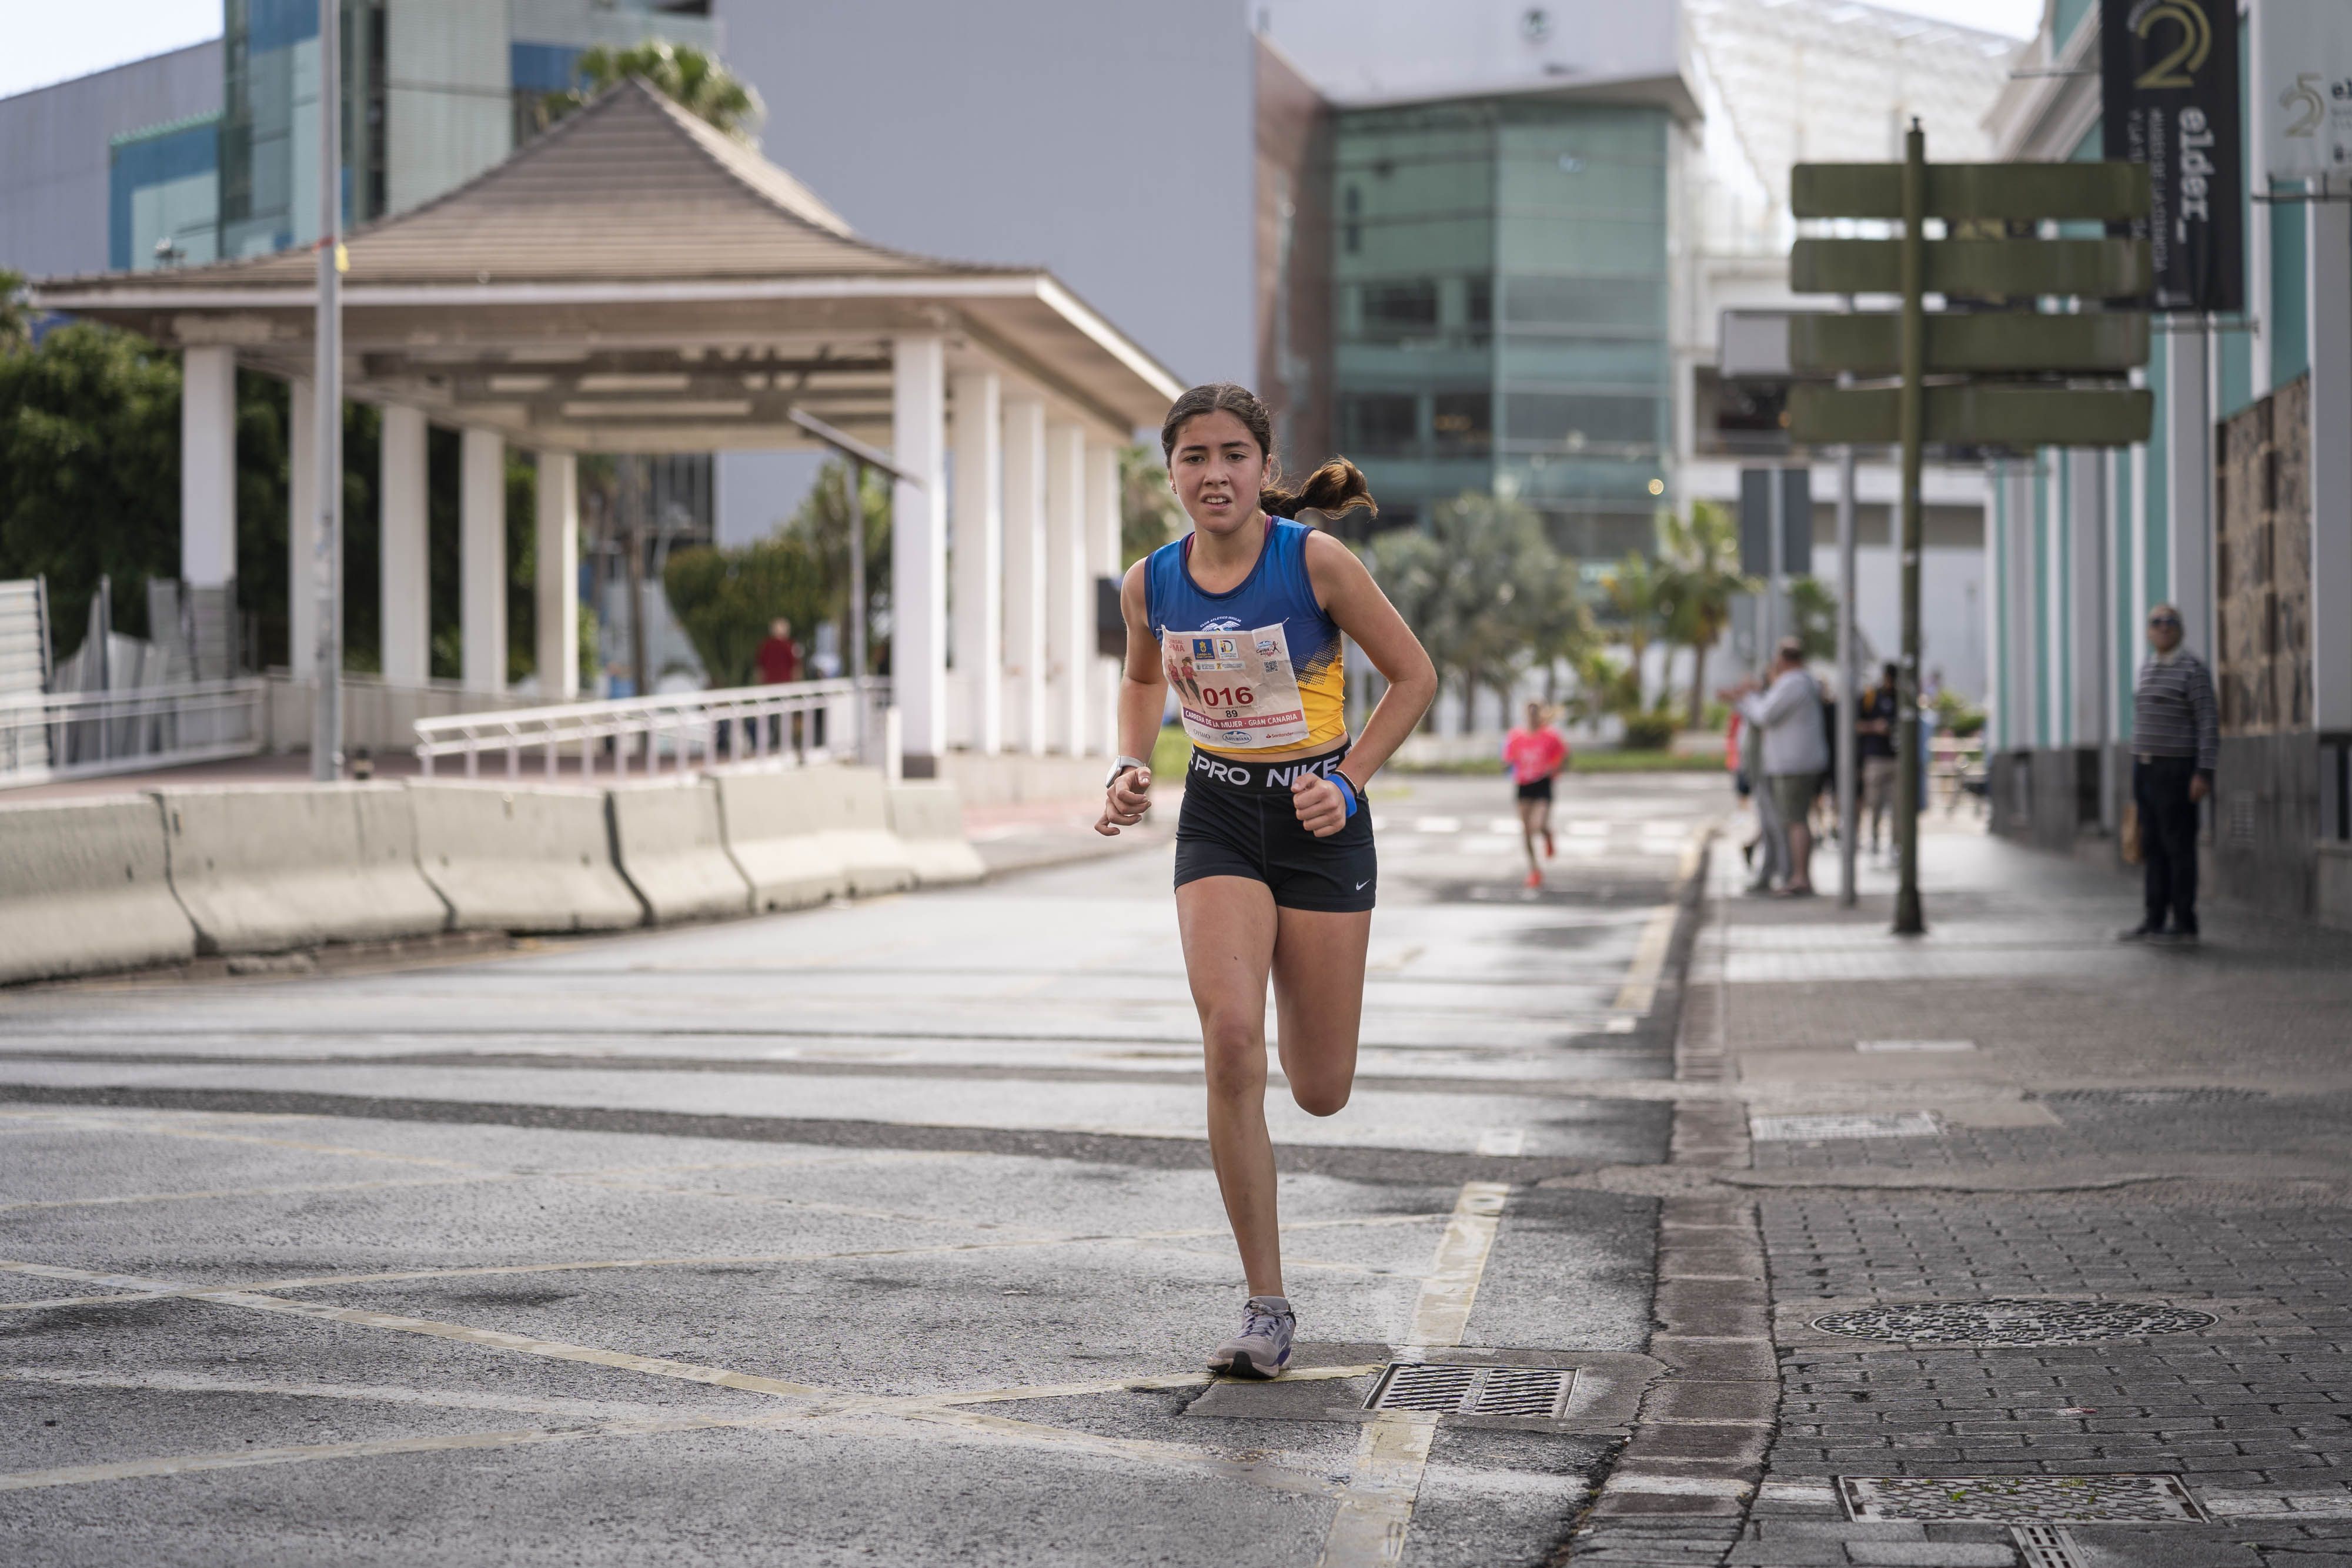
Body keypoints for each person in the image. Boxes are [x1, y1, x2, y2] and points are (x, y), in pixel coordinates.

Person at [1096, 382, 1437, 1379]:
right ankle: (1267, 1305)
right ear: (1171, 472)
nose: (1215, 474)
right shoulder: (1150, 582)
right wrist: (1128, 763)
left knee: (1320, 1088)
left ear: (1264, 468)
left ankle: (1308, 1010)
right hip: (1219, 814)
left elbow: (1414, 675)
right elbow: (1143, 677)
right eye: (1194, 457)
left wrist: (1350, 781)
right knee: (1231, 1041)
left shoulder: (1315, 562)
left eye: (1233, 455)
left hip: (1320, 820)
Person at [2120, 603, 2218, 945]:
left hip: (2177, 770)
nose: (2163, 627)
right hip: (2144, 768)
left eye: (2170, 621)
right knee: (2152, 846)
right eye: (2157, 622)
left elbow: (2208, 723)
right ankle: (2154, 920)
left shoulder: (2193, 670)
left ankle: (2185, 923)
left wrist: (2204, 773)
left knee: (2179, 847)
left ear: (2180, 629)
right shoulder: (2147, 669)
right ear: (2149, 631)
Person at [1730, 638, 1827, 896]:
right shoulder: (1800, 682)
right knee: (1793, 820)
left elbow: (1764, 715)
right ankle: (1795, 875)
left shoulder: (1794, 683)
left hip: (1793, 764)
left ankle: (1799, 878)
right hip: (1792, 763)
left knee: (1794, 821)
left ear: (1783, 660)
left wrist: (1747, 697)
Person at [1503, 700, 1568, 888]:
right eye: (1529, 712)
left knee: (1538, 825)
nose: (1532, 716)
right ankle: (1534, 870)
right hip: (1524, 785)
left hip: (1542, 784)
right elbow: (1508, 759)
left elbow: (1562, 757)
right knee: (1526, 831)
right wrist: (1507, 766)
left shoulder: (1551, 736)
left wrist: (1554, 769)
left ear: (1541, 714)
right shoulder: (1516, 736)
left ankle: (1547, 834)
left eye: (1536, 712)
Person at [1857, 661, 1900, 855]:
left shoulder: (1900, 697)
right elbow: (1856, 724)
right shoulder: (1870, 697)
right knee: (1874, 803)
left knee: (1897, 805)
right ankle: (1874, 839)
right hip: (1875, 757)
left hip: (1896, 758)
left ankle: (1896, 843)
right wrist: (1875, 727)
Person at [754, 618, 800, 751]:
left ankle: (771, 743)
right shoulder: (788, 645)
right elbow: (795, 668)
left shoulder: (766, 645)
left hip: (769, 686)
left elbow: (759, 668)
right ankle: (784, 743)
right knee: (784, 716)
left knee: (770, 716)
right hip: (784, 686)